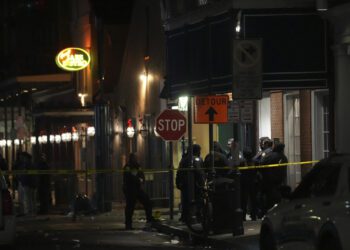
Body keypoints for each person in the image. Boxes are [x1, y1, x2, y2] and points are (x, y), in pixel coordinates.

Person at [123, 153, 153, 230]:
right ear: (131, 158)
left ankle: (149, 220)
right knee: (130, 207)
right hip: (130, 189)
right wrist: (139, 179)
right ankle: (128, 224)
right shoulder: (128, 167)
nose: (136, 159)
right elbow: (130, 177)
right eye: (135, 158)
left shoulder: (138, 166)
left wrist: (142, 180)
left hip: (137, 189)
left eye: (136, 158)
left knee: (147, 202)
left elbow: (141, 175)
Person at [175, 144, 204, 223]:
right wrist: (202, 183)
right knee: (198, 200)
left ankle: (185, 217)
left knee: (185, 201)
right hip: (195, 184)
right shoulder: (197, 159)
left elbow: (179, 172)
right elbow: (199, 172)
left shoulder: (184, 159)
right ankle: (197, 217)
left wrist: (178, 182)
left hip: (185, 184)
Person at [260, 142, 288, 214]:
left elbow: (261, 163)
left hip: (269, 181)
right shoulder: (284, 157)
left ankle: (267, 212)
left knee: (268, 199)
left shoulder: (270, 156)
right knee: (277, 198)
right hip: (279, 181)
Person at [240, 148, 258, 221]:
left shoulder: (242, 162)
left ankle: (243, 216)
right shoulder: (255, 162)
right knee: (253, 200)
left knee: (244, 200)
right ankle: (253, 216)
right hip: (253, 183)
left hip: (245, 183)